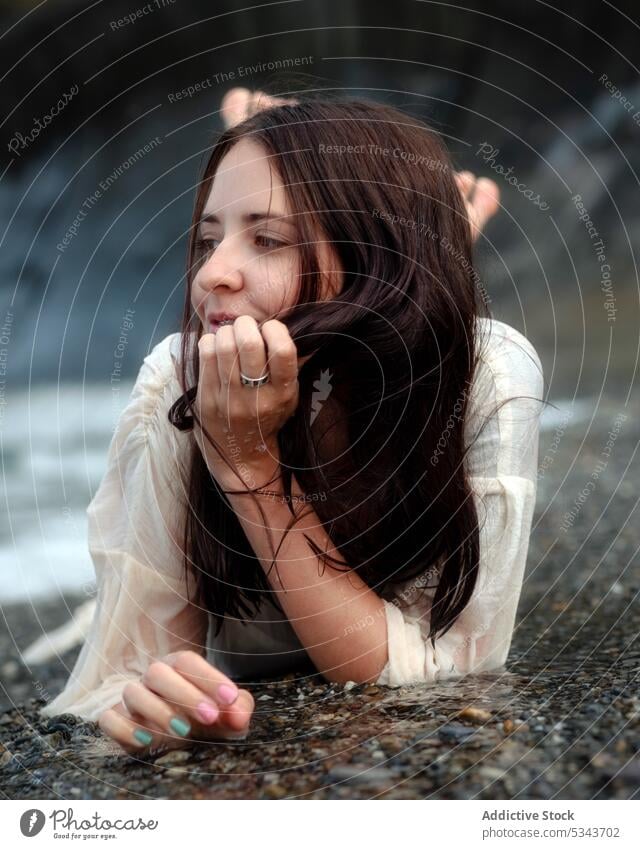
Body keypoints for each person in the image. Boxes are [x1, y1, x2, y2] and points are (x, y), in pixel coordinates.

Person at [31, 89, 544, 755]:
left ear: (371, 256)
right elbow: (131, 677)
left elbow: (442, 669)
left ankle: (424, 257)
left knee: (405, 345)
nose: (210, 273)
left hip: (396, 321)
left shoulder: (492, 374)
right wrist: (159, 711)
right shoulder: (177, 378)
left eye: (266, 238)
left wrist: (250, 467)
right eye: (208, 237)